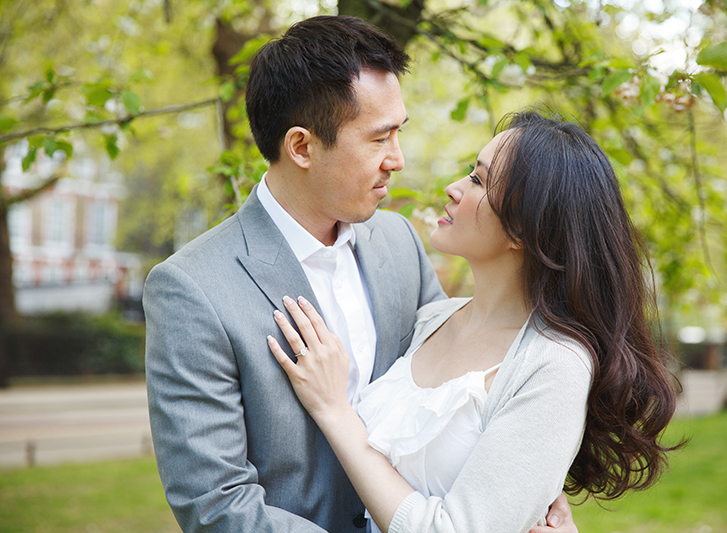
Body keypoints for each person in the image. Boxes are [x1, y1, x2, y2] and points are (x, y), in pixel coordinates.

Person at [144, 16, 576, 533]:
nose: (397, 159)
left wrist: (530, 496)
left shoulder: (397, 244)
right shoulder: (192, 288)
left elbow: (461, 396)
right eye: (379, 138)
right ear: (302, 147)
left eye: (400, 132)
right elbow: (216, 505)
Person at [268, 109, 680, 533]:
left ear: (524, 229)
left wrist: (334, 410)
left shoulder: (554, 364)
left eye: (479, 182)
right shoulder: (433, 319)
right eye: (470, 172)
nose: (453, 189)